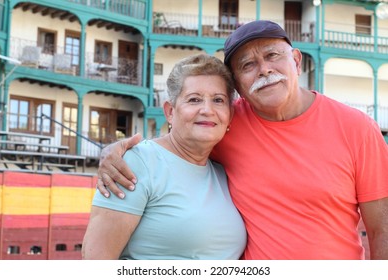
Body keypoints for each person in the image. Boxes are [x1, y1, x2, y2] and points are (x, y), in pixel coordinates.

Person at [96, 20, 388, 260]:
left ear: (296, 60)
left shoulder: (357, 128)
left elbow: (382, 230)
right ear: (238, 84)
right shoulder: (225, 121)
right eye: (247, 65)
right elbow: (178, 140)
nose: (263, 69)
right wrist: (117, 152)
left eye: (272, 55)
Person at [82, 54, 247, 260]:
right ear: (170, 112)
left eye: (218, 100)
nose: (207, 110)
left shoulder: (223, 172)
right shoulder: (137, 163)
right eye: (194, 99)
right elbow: (96, 259)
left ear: (230, 115)